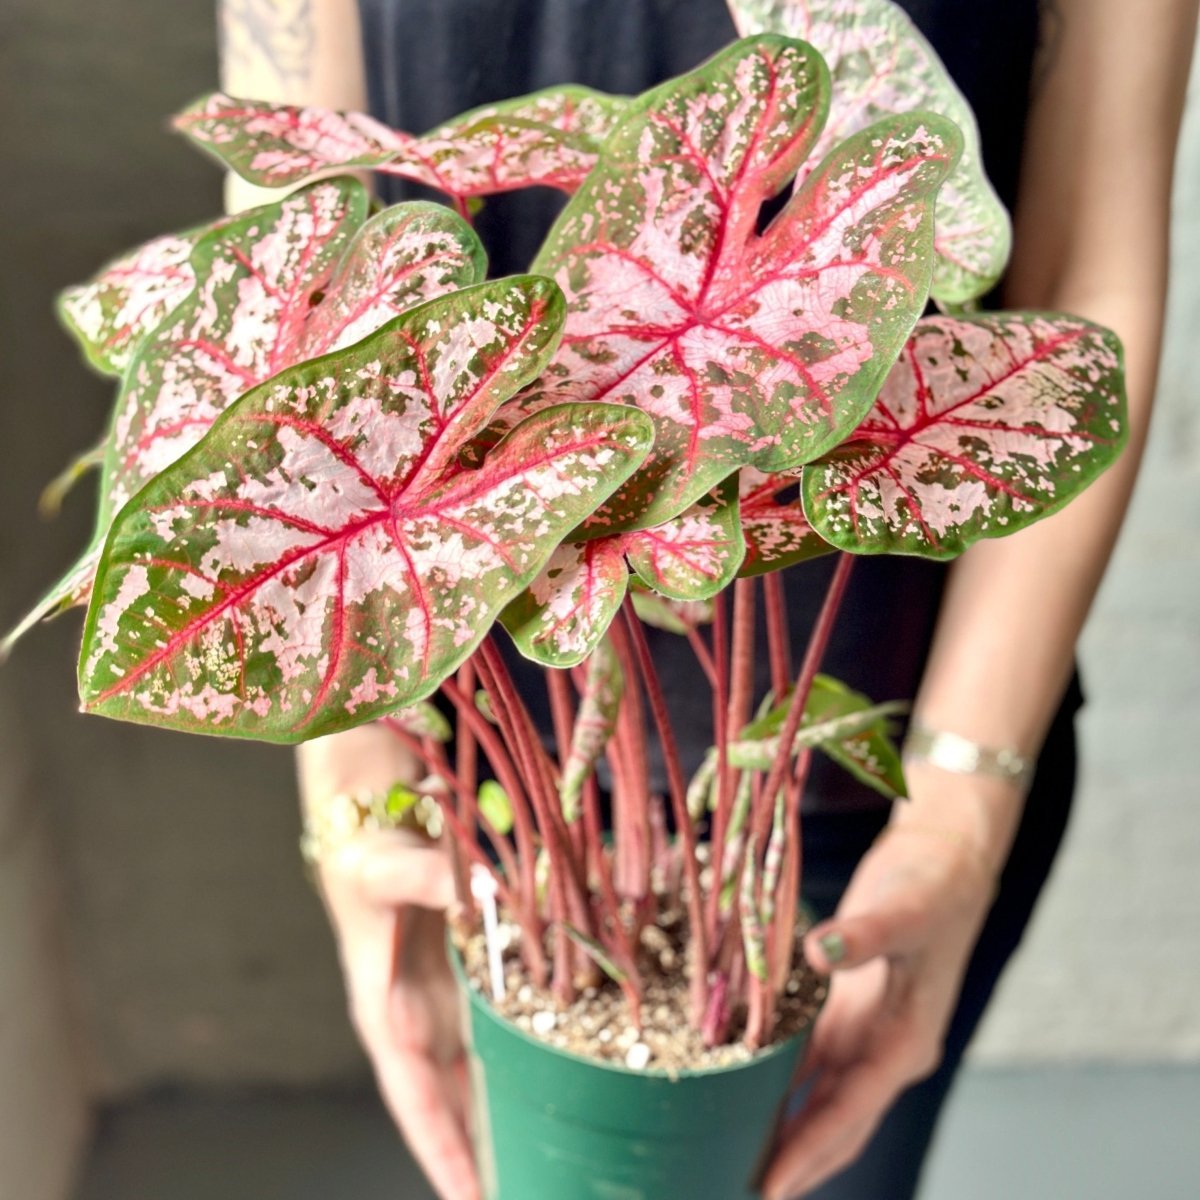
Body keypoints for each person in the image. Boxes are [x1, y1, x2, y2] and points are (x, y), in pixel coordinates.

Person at [220, 2, 1198, 1197]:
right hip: (482, 757)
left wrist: (957, 811)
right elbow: (296, 236)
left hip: (876, 772)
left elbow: (1081, 282)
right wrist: (354, 790)